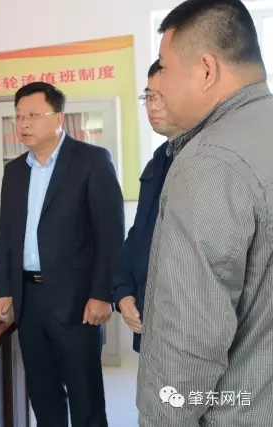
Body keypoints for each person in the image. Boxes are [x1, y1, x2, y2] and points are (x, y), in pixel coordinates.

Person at [137, 0, 273, 425]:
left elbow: (188, 342)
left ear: (207, 70)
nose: (159, 84)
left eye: (165, 67)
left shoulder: (209, 161)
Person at [0, 81, 125, 427]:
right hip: (28, 298)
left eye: (33, 115)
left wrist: (103, 294)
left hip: (77, 300)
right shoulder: (14, 171)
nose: (24, 124)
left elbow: (111, 234)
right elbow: (7, 235)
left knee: (85, 396)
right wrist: (4, 288)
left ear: (59, 118)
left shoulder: (91, 161)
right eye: (19, 116)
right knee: (43, 392)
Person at [113, 60, 182, 352]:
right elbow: (138, 234)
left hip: (183, 323)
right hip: (147, 314)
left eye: (162, 96)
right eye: (149, 97)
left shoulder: (205, 161)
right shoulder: (158, 159)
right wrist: (122, 292)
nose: (153, 106)